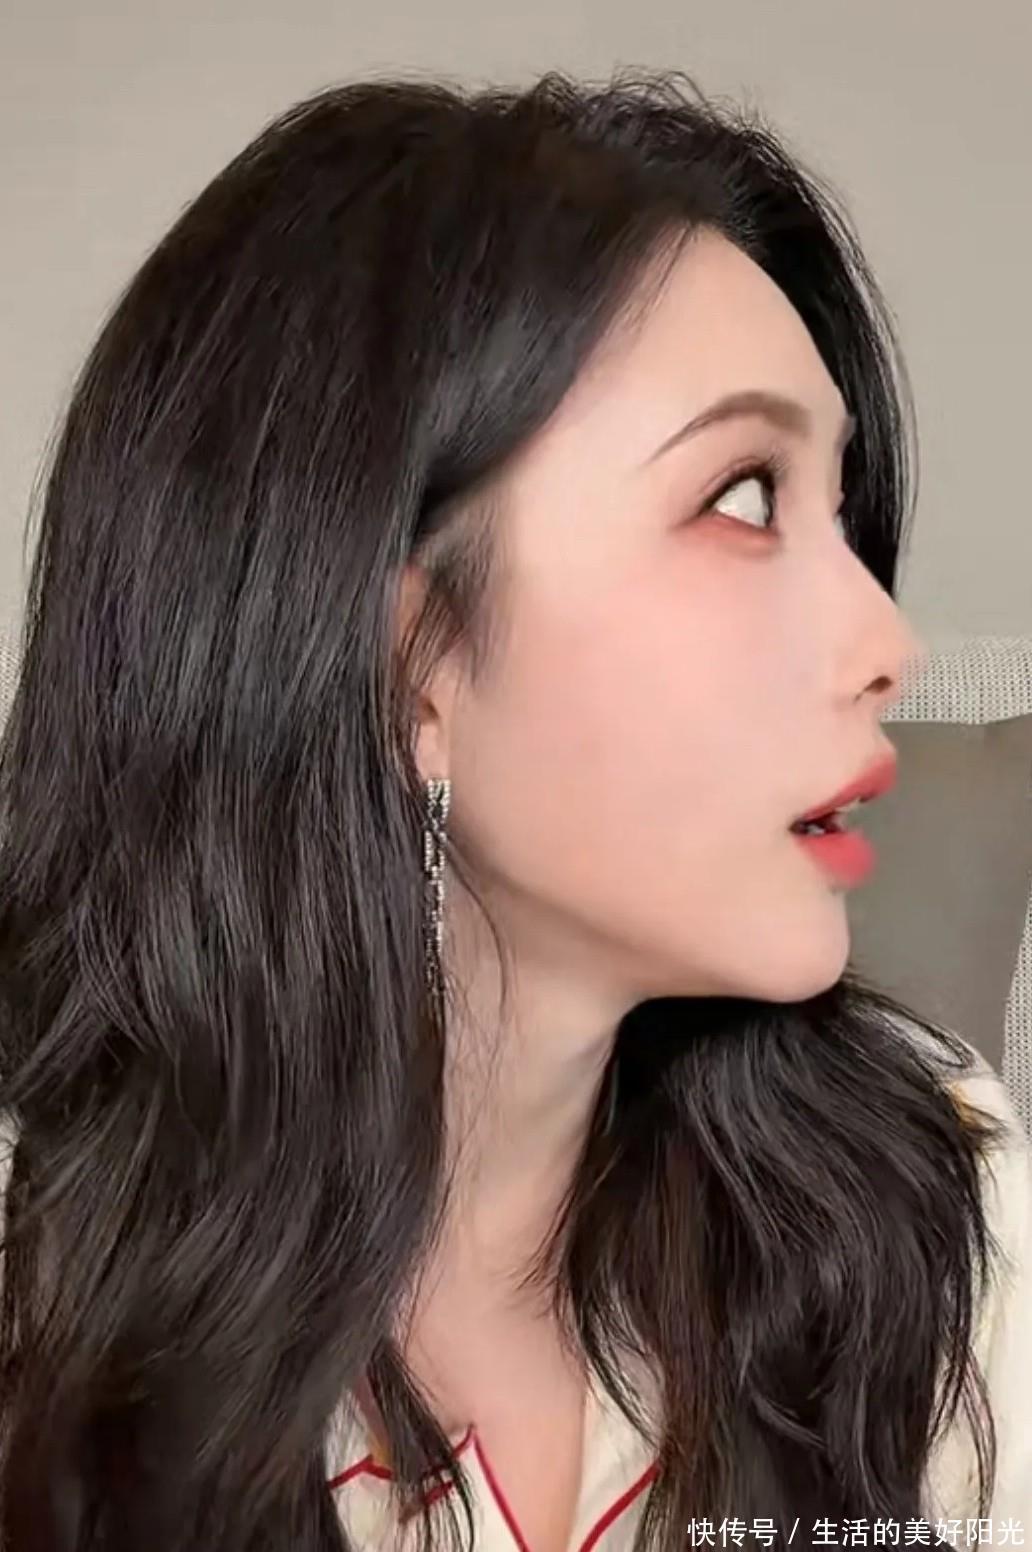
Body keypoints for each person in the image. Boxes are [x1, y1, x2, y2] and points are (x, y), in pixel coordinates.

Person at [0, 67, 1028, 1552]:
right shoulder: (42, 1302)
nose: (886, 641)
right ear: (412, 664)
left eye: (842, 513)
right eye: (744, 497)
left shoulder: (939, 1199)